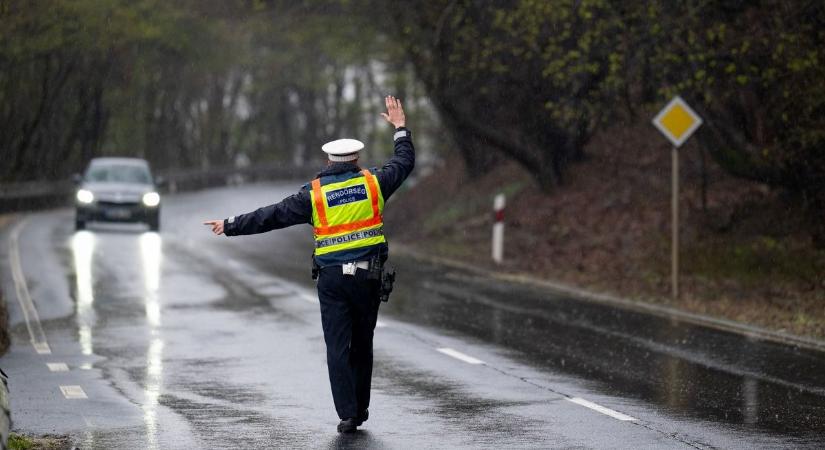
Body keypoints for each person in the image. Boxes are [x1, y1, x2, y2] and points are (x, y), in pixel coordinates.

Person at [203, 96, 413, 433]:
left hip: (332, 281)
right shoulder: (374, 183)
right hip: (368, 278)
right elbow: (404, 162)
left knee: (336, 345)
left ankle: (347, 414)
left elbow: (271, 215)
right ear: (356, 158)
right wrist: (400, 128)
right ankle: (360, 409)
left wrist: (230, 224)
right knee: (362, 344)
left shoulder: (312, 195)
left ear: (328, 160)